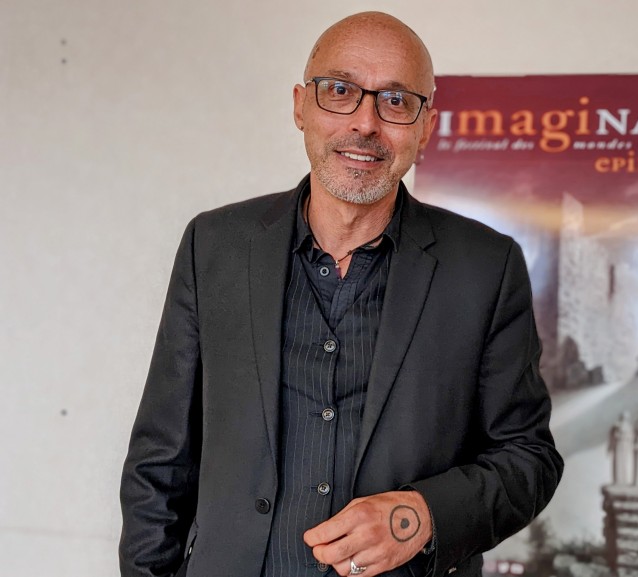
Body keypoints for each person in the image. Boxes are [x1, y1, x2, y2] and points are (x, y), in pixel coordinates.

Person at [119, 11, 563, 577]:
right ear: (300, 106)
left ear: (426, 127)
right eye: (339, 91)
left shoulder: (486, 267)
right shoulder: (215, 246)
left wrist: (421, 515)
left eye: (396, 101)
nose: (365, 123)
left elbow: (529, 458)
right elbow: (160, 458)